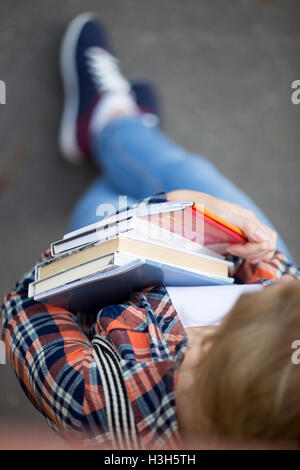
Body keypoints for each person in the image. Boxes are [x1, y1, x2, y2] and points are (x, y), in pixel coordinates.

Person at [1, 13, 300, 450]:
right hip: (194, 257)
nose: (208, 326)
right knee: (192, 176)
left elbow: (24, 306)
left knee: (104, 204)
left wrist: (165, 209)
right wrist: (253, 250)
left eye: (214, 339)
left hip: (108, 275)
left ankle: (116, 126)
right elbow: (274, 276)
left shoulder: (98, 405)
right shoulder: (280, 324)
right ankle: (121, 127)